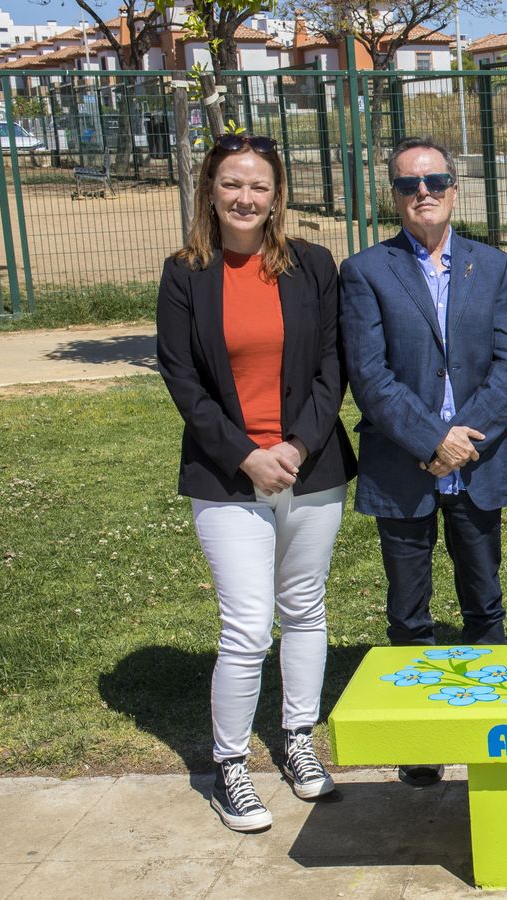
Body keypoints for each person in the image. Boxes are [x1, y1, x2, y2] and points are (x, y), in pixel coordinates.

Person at [156, 133, 355, 831]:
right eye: (232, 184)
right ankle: (231, 765)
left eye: (259, 186)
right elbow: (182, 379)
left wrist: (297, 443)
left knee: (304, 609)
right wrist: (247, 455)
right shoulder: (184, 273)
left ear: (277, 197)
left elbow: (335, 364)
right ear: (211, 188)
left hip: (312, 467)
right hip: (226, 476)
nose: (245, 197)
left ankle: (299, 742)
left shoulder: (313, 265)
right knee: (246, 625)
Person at [340, 136, 507, 786]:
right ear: (392, 195)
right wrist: (431, 441)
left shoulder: (496, 269)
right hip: (404, 466)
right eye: (408, 184)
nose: (423, 192)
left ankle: (488, 730)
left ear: (455, 187)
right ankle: (421, 739)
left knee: (485, 604)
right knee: (408, 612)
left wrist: (462, 437)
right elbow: (369, 377)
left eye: (435, 180)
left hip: (476, 462)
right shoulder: (365, 272)